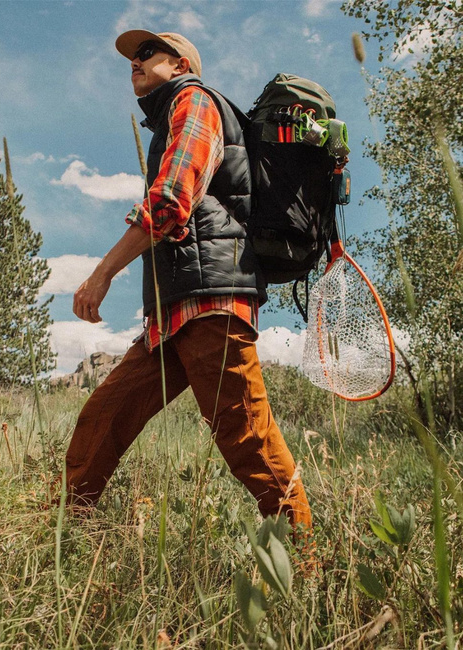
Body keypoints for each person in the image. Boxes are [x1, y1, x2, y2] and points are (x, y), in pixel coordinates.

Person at [66, 28, 312, 539]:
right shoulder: (173, 112)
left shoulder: (194, 101)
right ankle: (65, 533)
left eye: (147, 52)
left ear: (180, 65)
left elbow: (171, 200)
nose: (134, 61)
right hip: (174, 311)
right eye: (133, 56)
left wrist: (102, 273)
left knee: (246, 436)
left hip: (210, 303)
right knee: (104, 417)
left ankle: (307, 561)